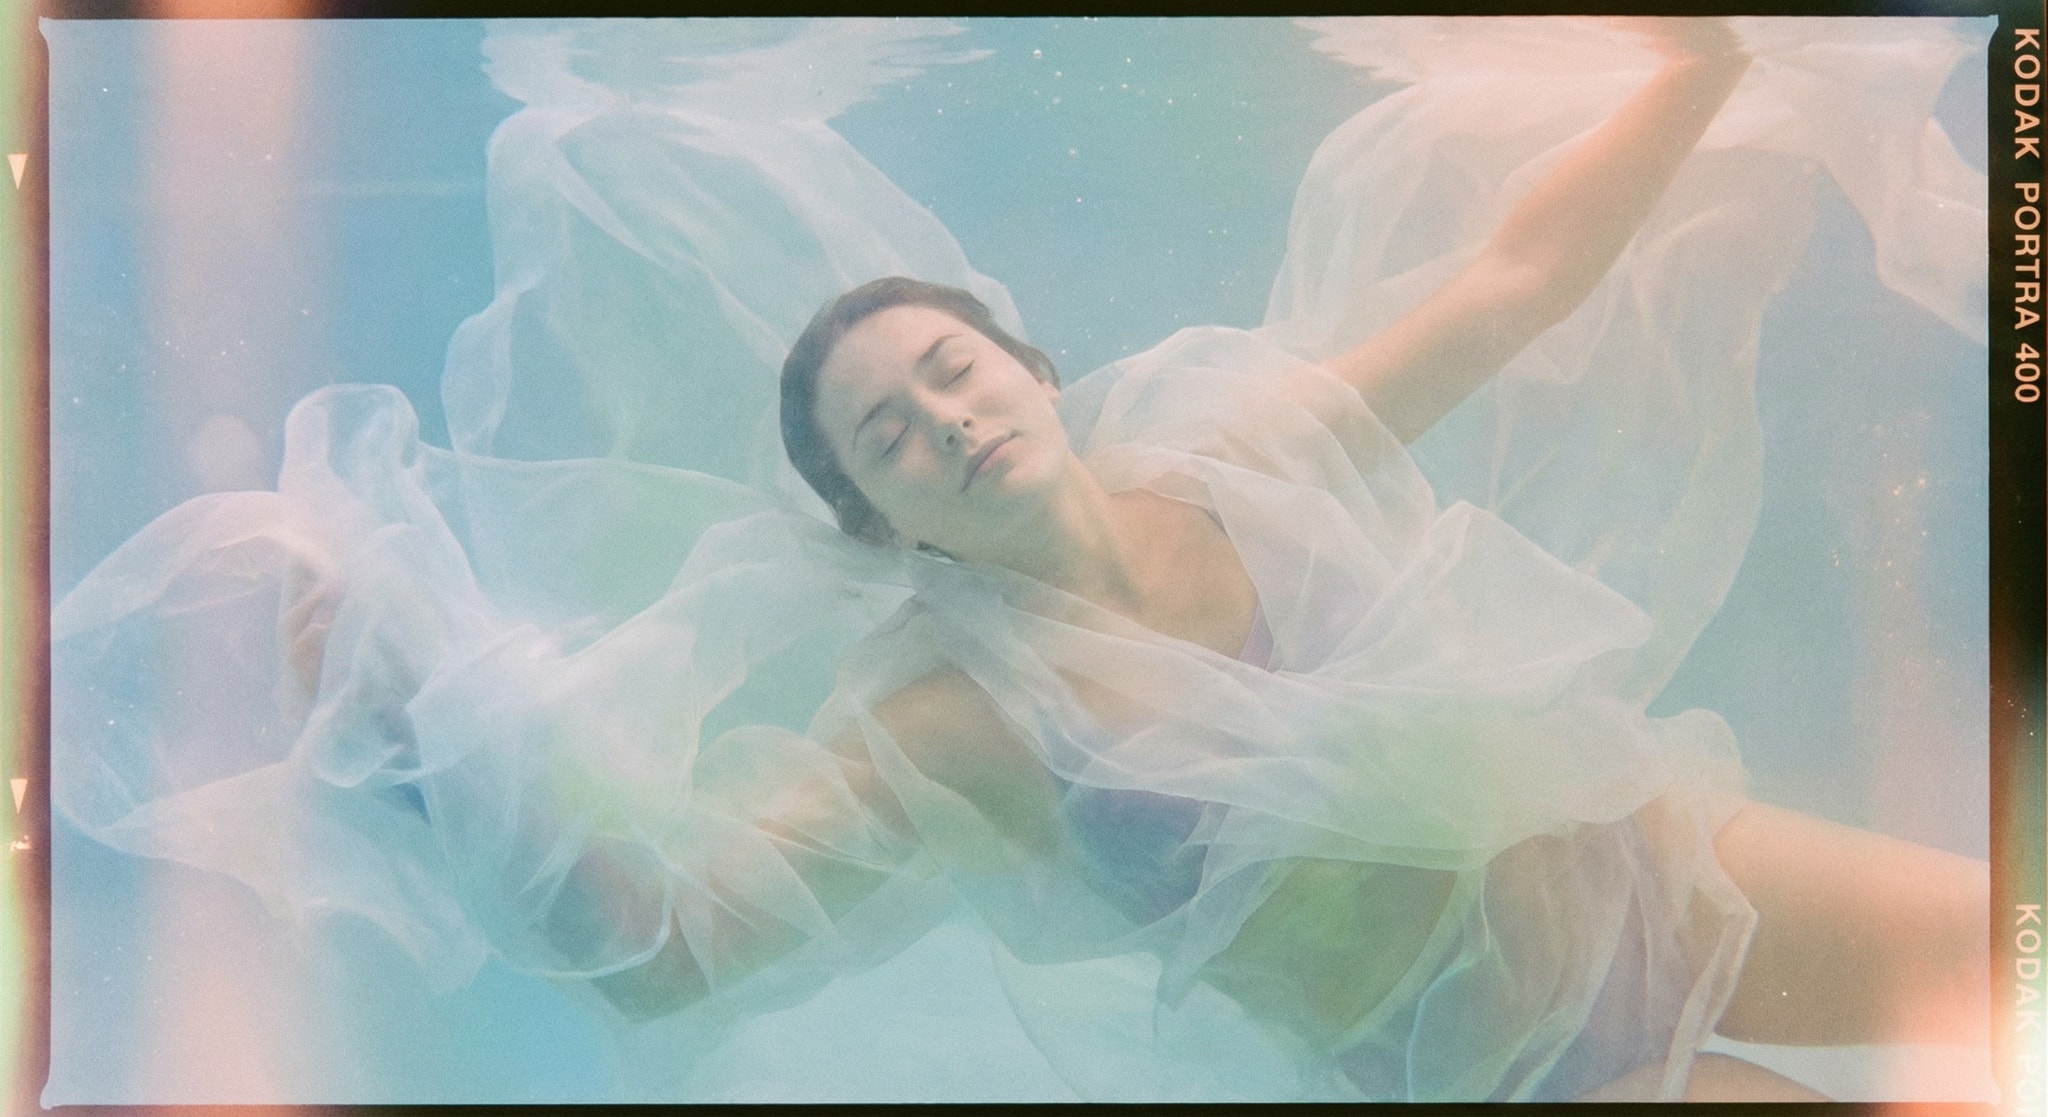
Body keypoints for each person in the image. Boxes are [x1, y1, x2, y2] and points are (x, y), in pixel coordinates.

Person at [48, 15, 1991, 1104]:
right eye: (891, 435)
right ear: (877, 523)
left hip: (1656, 868)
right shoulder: (964, 727)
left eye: (954, 373)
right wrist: (410, 708)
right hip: (1530, 1066)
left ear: (1030, 370)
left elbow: (1512, 275)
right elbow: (670, 950)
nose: (946, 421)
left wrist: (1707, 64)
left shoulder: (1245, 450)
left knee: (2015, 951)